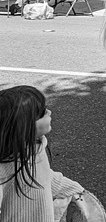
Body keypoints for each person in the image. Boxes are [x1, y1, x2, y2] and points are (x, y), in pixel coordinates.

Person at [0, 85, 86, 221]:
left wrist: (76, 189)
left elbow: (46, 177)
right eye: (42, 112)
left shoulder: (37, 148)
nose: (49, 112)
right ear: (24, 126)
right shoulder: (4, 170)